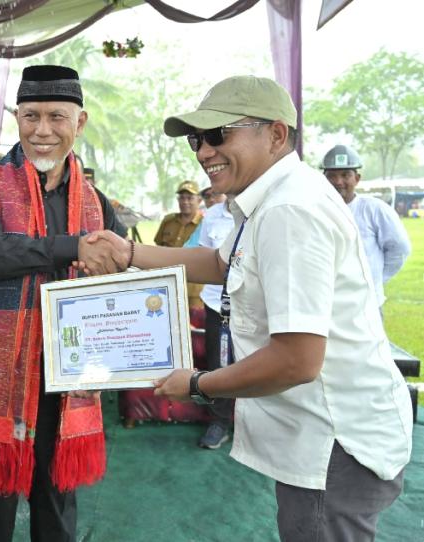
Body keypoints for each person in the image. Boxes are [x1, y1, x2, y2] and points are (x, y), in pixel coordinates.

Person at [82, 75, 411, 541]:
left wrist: (197, 383)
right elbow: (221, 262)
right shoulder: (272, 199)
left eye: (219, 135)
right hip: (326, 436)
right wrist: (128, 253)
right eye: (198, 139)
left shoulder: (288, 210)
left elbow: (297, 359)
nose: (203, 152)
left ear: (276, 134)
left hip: (333, 444)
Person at [0, 64, 127, 542]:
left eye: (56, 117)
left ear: (80, 122)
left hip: (65, 366)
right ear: (17, 118)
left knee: (56, 493)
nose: (42, 130)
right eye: (30, 116)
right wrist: (72, 247)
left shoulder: (97, 203)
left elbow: (118, 275)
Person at [322, 144, 411, 309]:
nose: (338, 181)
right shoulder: (315, 209)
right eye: (331, 176)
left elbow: (399, 248)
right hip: (327, 305)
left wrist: (375, 279)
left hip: (367, 304)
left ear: (357, 178)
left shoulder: (375, 209)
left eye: (345, 175)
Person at [195, 193, 235, 449]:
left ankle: (255, 426)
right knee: (218, 364)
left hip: (255, 307)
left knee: (258, 363)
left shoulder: (264, 210)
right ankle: (219, 422)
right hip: (217, 305)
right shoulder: (212, 215)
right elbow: (202, 257)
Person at [153, 180, 204, 308]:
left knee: (195, 327)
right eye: (181, 198)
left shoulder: (205, 224)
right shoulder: (168, 221)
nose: (185, 202)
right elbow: (158, 250)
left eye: (190, 198)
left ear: (199, 200)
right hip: (169, 286)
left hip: (194, 290)